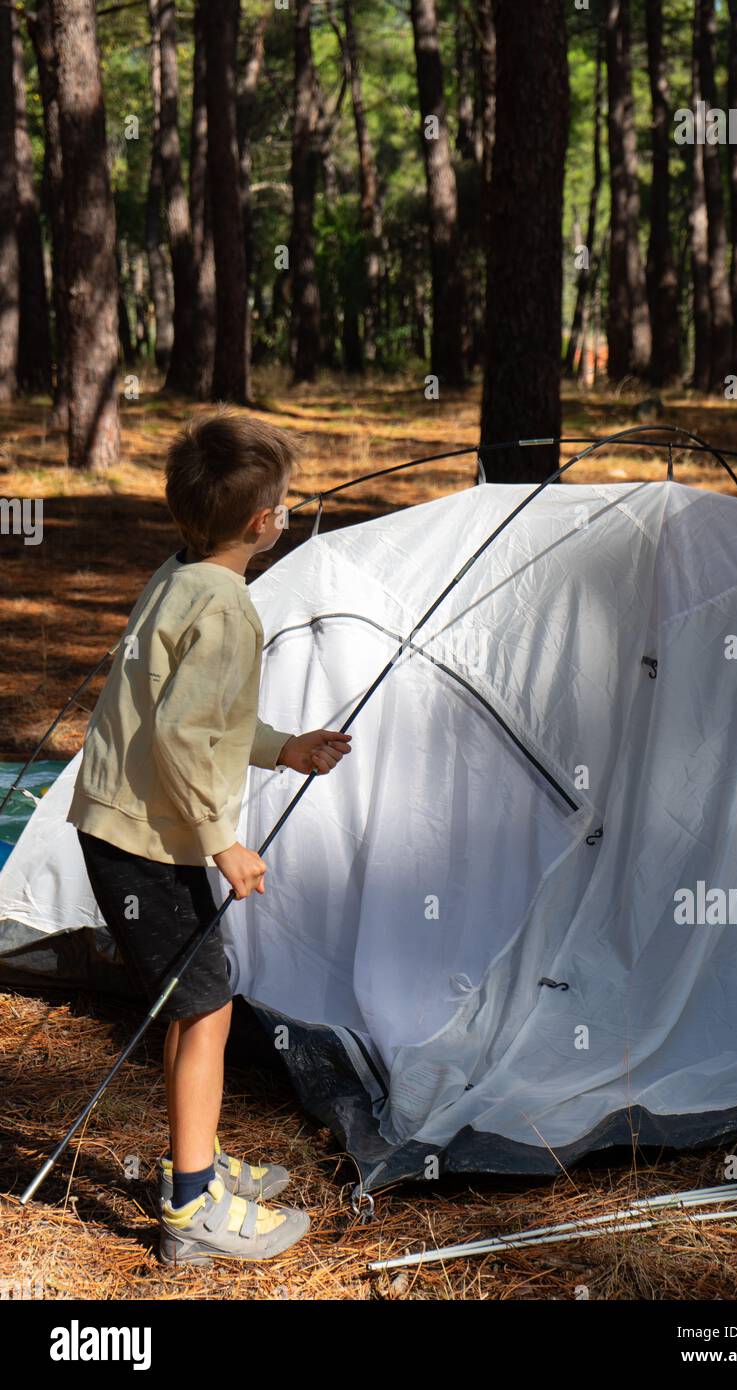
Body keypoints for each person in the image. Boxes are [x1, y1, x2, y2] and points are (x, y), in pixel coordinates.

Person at [68, 409, 352, 1265]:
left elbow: (204, 719)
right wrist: (224, 840)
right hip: (149, 845)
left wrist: (283, 748)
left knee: (196, 1007)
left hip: (139, 832)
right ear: (263, 523)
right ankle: (192, 1206)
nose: (289, 510)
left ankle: (194, 1158)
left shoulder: (182, 573)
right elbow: (185, 741)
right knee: (208, 1006)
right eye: (285, 502)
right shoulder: (226, 607)